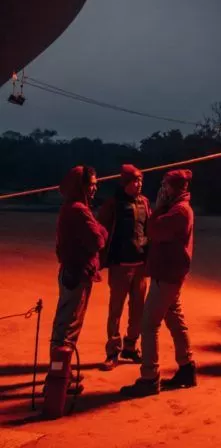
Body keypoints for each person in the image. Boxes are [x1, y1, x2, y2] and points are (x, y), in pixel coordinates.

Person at [120, 169, 195, 397]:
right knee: (175, 319)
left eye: (165, 185)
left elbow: (152, 230)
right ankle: (186, 367)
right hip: (170, 273)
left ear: (174, 188)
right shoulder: (179, 208)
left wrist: (159, 206)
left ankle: (150, 377)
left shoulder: (179, 212)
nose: (162, 189)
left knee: (149, 324)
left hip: (167, 274)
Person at [50, 166, 108, 387]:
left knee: (66, 324)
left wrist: (97, 229)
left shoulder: (75, 208)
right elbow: (98, 240)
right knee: (67, 326)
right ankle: (57, 379)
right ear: (81, 186)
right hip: (77, 273)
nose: (95, 188)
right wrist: (101, 230)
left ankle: (63, 372)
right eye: (92, 184)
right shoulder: (78, 210)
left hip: (73, 271)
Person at [98, 164, 150, 369]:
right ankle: (113, 351)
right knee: (116, 310)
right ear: (125, 183)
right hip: (120, 264)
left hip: (140, 265)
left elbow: (149, 228)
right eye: (134, 181)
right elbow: (101, 231)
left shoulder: (144, 202)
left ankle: (130, 346)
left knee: (138, 309)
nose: (138, 185)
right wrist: (101, 259)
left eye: (140, 181)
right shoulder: (113, 204)